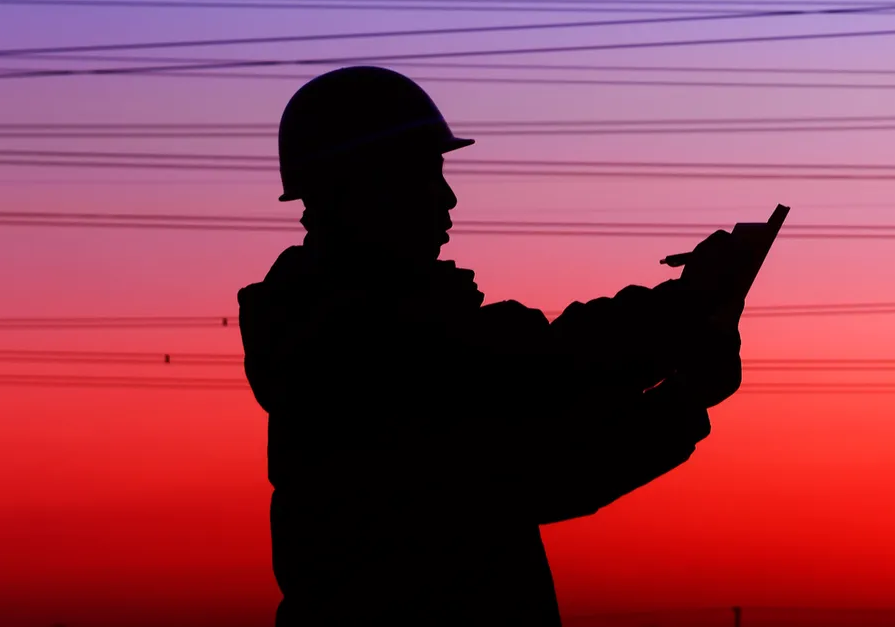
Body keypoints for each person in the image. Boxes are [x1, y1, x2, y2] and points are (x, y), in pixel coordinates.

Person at [238, 66, 749, 626]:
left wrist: (684, 311)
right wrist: (684, 383)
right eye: (427, 175)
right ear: (370, 191)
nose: (449, 199)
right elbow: (540, 453)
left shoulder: (348, 330)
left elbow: (545, 370)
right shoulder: (368, 349)